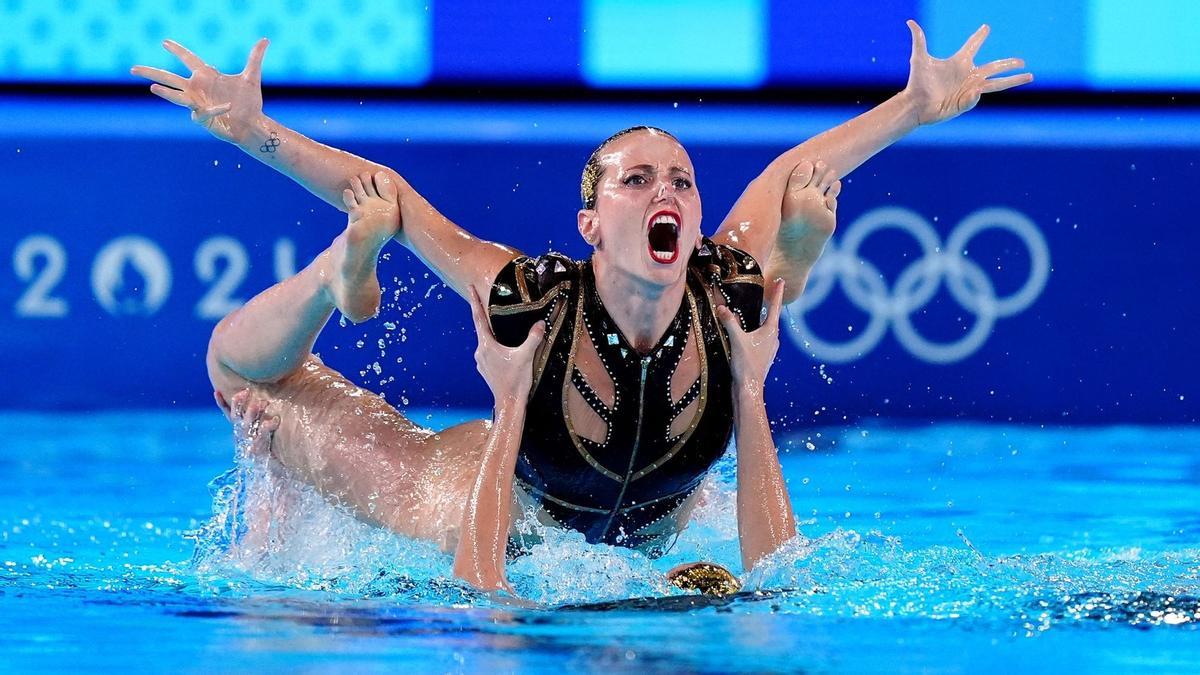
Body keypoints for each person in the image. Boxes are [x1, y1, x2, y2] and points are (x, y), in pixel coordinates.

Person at [132, 21, 1031, 594]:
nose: (663, 190)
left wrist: (912, 109)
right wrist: (254, 133)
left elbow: (777, 581)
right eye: (636, 180)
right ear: (592, 223)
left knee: (787, 248)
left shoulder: (725, 293)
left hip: (637, 538)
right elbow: (394, 198)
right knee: (243, 378)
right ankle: (338, 273)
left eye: (679, 178)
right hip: (465, 499)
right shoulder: (531, 300)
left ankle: (343, 281)